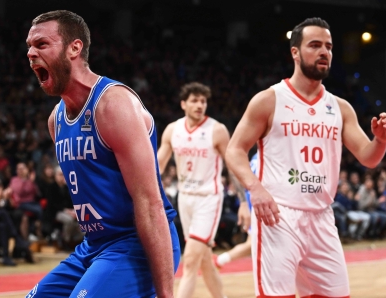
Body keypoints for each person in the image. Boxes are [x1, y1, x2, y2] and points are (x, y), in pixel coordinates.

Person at [225, 17, 386, 298]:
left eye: (328, 47)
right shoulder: (269, 100)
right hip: (278, 217)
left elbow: (369, 158)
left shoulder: (340, 108)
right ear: (295, 52)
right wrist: (255, 189)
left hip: (321, 217)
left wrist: (381, 140)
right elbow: (234, 149)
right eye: (315, 45)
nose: (324, 52)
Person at [25, 10, 180, 298]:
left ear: (74, 48)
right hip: (94, 245)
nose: (31, 53)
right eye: (29, 47)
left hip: (136, 243)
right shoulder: (55, 120)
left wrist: (166, 295)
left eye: (41, 44)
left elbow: (150, 204)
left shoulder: (112, 105)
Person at [157, 82, 244, 298]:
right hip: (185, 199)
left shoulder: (217, 130)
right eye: (195, 101)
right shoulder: (172, 130)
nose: (199, 105)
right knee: (204, 261)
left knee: (190, 260)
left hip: (208, 199)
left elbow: (233, 167)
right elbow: (156, 166)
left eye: (203, 101)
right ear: (183, 104)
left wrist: (243, 201)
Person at [215, 153, 257, 269]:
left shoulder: (255, 158)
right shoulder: (264, 158)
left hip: (251, 200)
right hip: (256, 202)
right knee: (252, 243)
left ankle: (220, 260)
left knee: (253, 242)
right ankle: (219, 260)